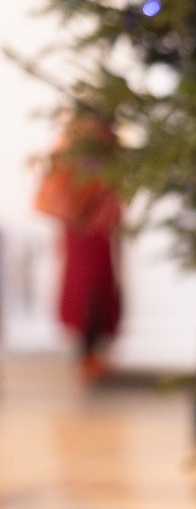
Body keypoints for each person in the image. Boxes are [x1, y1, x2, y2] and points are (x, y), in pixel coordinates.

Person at [34, 110, 122, 383]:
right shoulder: (72, 148)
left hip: (100, 230)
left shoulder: (104, 145)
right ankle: (86, 356)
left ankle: (93, 354)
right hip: (81, 229)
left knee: (101, 287)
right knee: (86, 288)